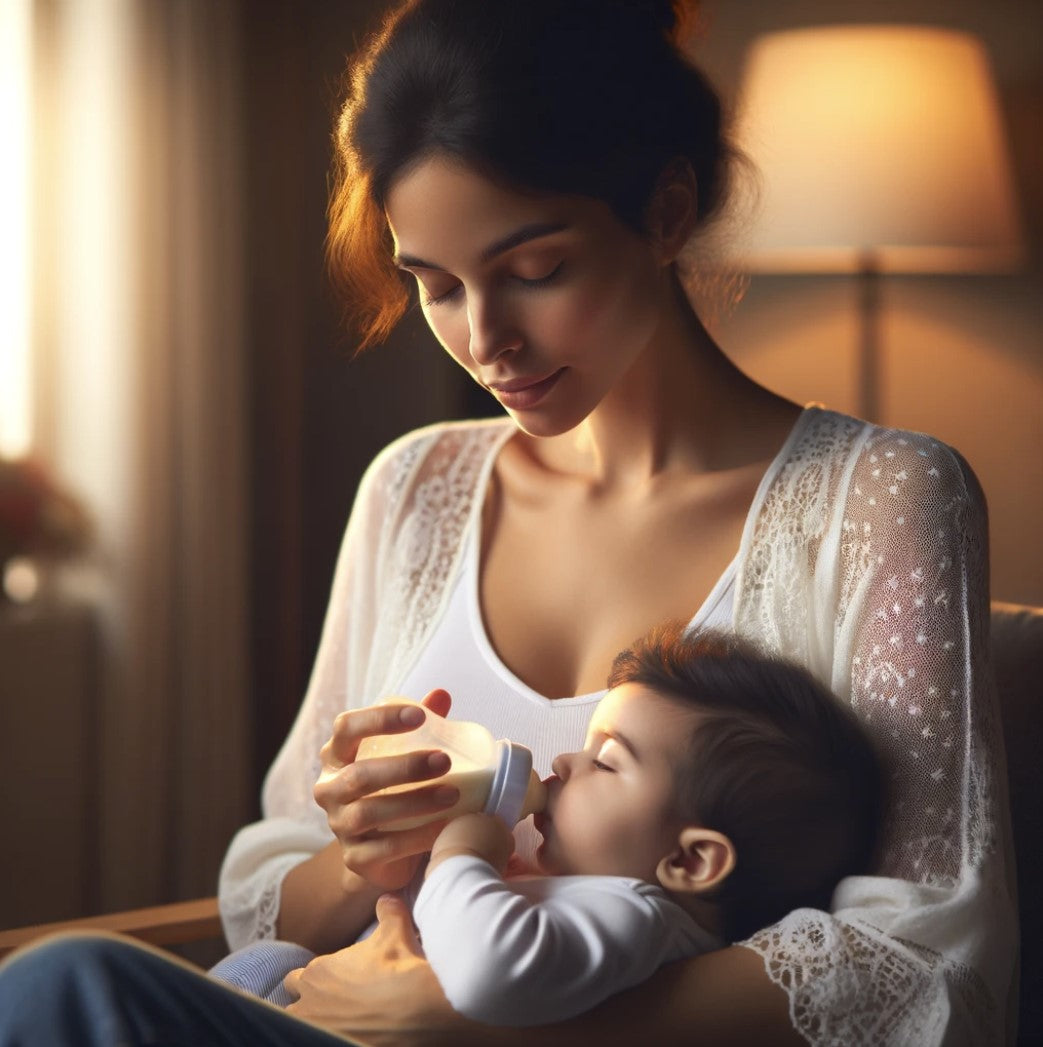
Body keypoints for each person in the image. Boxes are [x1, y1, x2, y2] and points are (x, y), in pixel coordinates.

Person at [0, 0, 1016, 1044]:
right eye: (435, 286)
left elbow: (926, 965)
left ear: (665, 213)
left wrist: (489, 1026)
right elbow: (268, 899)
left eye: (534, 272)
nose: (487, 343)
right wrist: (366, 852)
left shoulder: (881, 499)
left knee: (61, 986)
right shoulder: (413, 490)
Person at [210, 623, 884, 1024]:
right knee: (266, 963)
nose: (565, 759)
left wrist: (460, 858)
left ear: (691, 862)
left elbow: (485, 974)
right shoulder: (594, 895)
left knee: (115, 972)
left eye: (606, 760)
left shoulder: (637, 913)